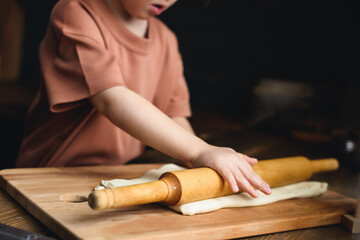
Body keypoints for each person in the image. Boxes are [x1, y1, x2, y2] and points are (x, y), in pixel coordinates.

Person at [16, 0, 272, 198]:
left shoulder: (166, 40)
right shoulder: (76, 12)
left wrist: (202, 164)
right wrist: (201, 151)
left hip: (116, 175)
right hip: (49, 175)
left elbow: (175, 115)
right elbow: (110, 98)